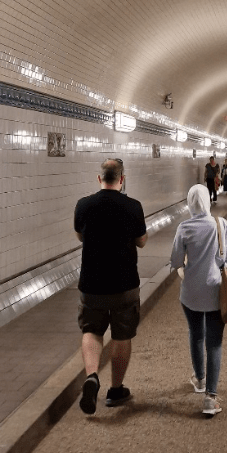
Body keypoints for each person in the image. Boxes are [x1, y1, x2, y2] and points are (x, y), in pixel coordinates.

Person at [74, 158, 148, 414]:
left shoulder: (84, 205)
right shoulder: (133, 206)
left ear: (99, 178)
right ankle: (116, 390)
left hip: (91, 283)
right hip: (124, 283)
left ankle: (92, 376)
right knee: (121, 335)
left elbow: (80, 235)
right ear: (122, 179)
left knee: (92, 330)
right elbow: (141, 241)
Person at [170, 184, 227, 416]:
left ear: (190, 203)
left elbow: (176, 260)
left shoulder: (183, 227)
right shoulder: (220, 224)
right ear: (208, 201)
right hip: (216, 290)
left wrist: (186, 273)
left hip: (190, 293)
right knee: (214, 342)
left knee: (195, 334)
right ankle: (210, 397)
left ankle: (199, 379)